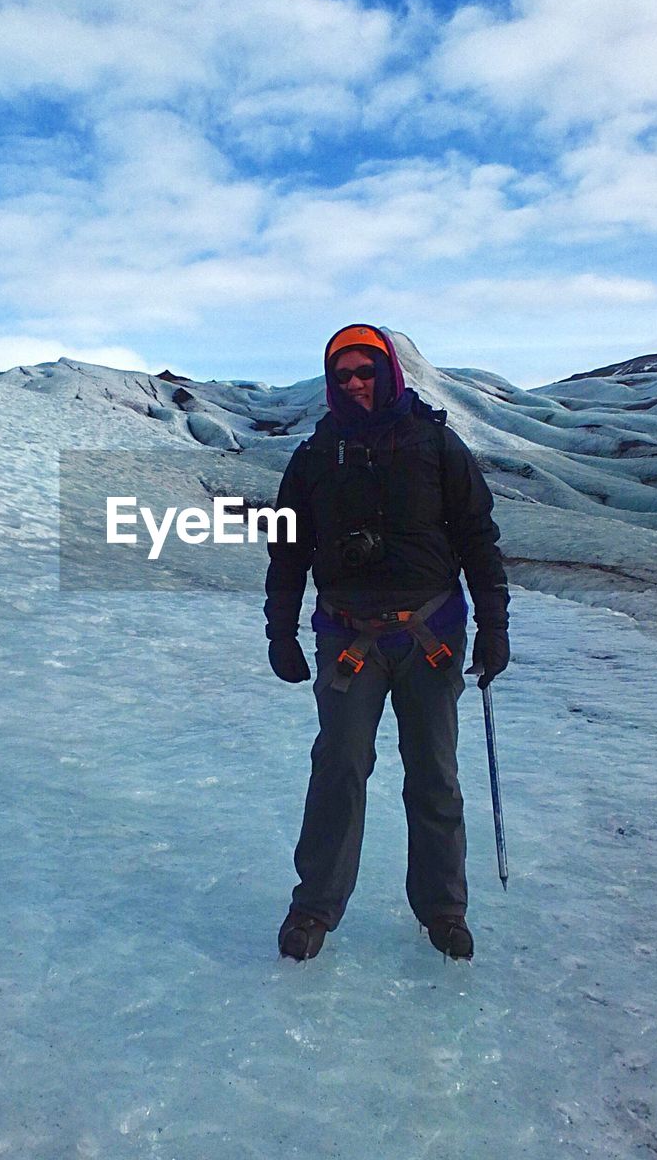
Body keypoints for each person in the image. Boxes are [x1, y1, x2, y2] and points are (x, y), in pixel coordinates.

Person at [264, 324, 510, 962]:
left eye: (364, 371)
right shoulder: (315, 457)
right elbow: (287, 550)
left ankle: (444, 909)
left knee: (434, 774)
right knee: (339, 768)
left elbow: (479, 538)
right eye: (342, 375)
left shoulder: (436, 446)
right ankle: (314, 909)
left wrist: (494, 624)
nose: (354, 384)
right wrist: (280, 630)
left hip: (431, 633)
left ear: (390, 372)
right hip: (347, 637)